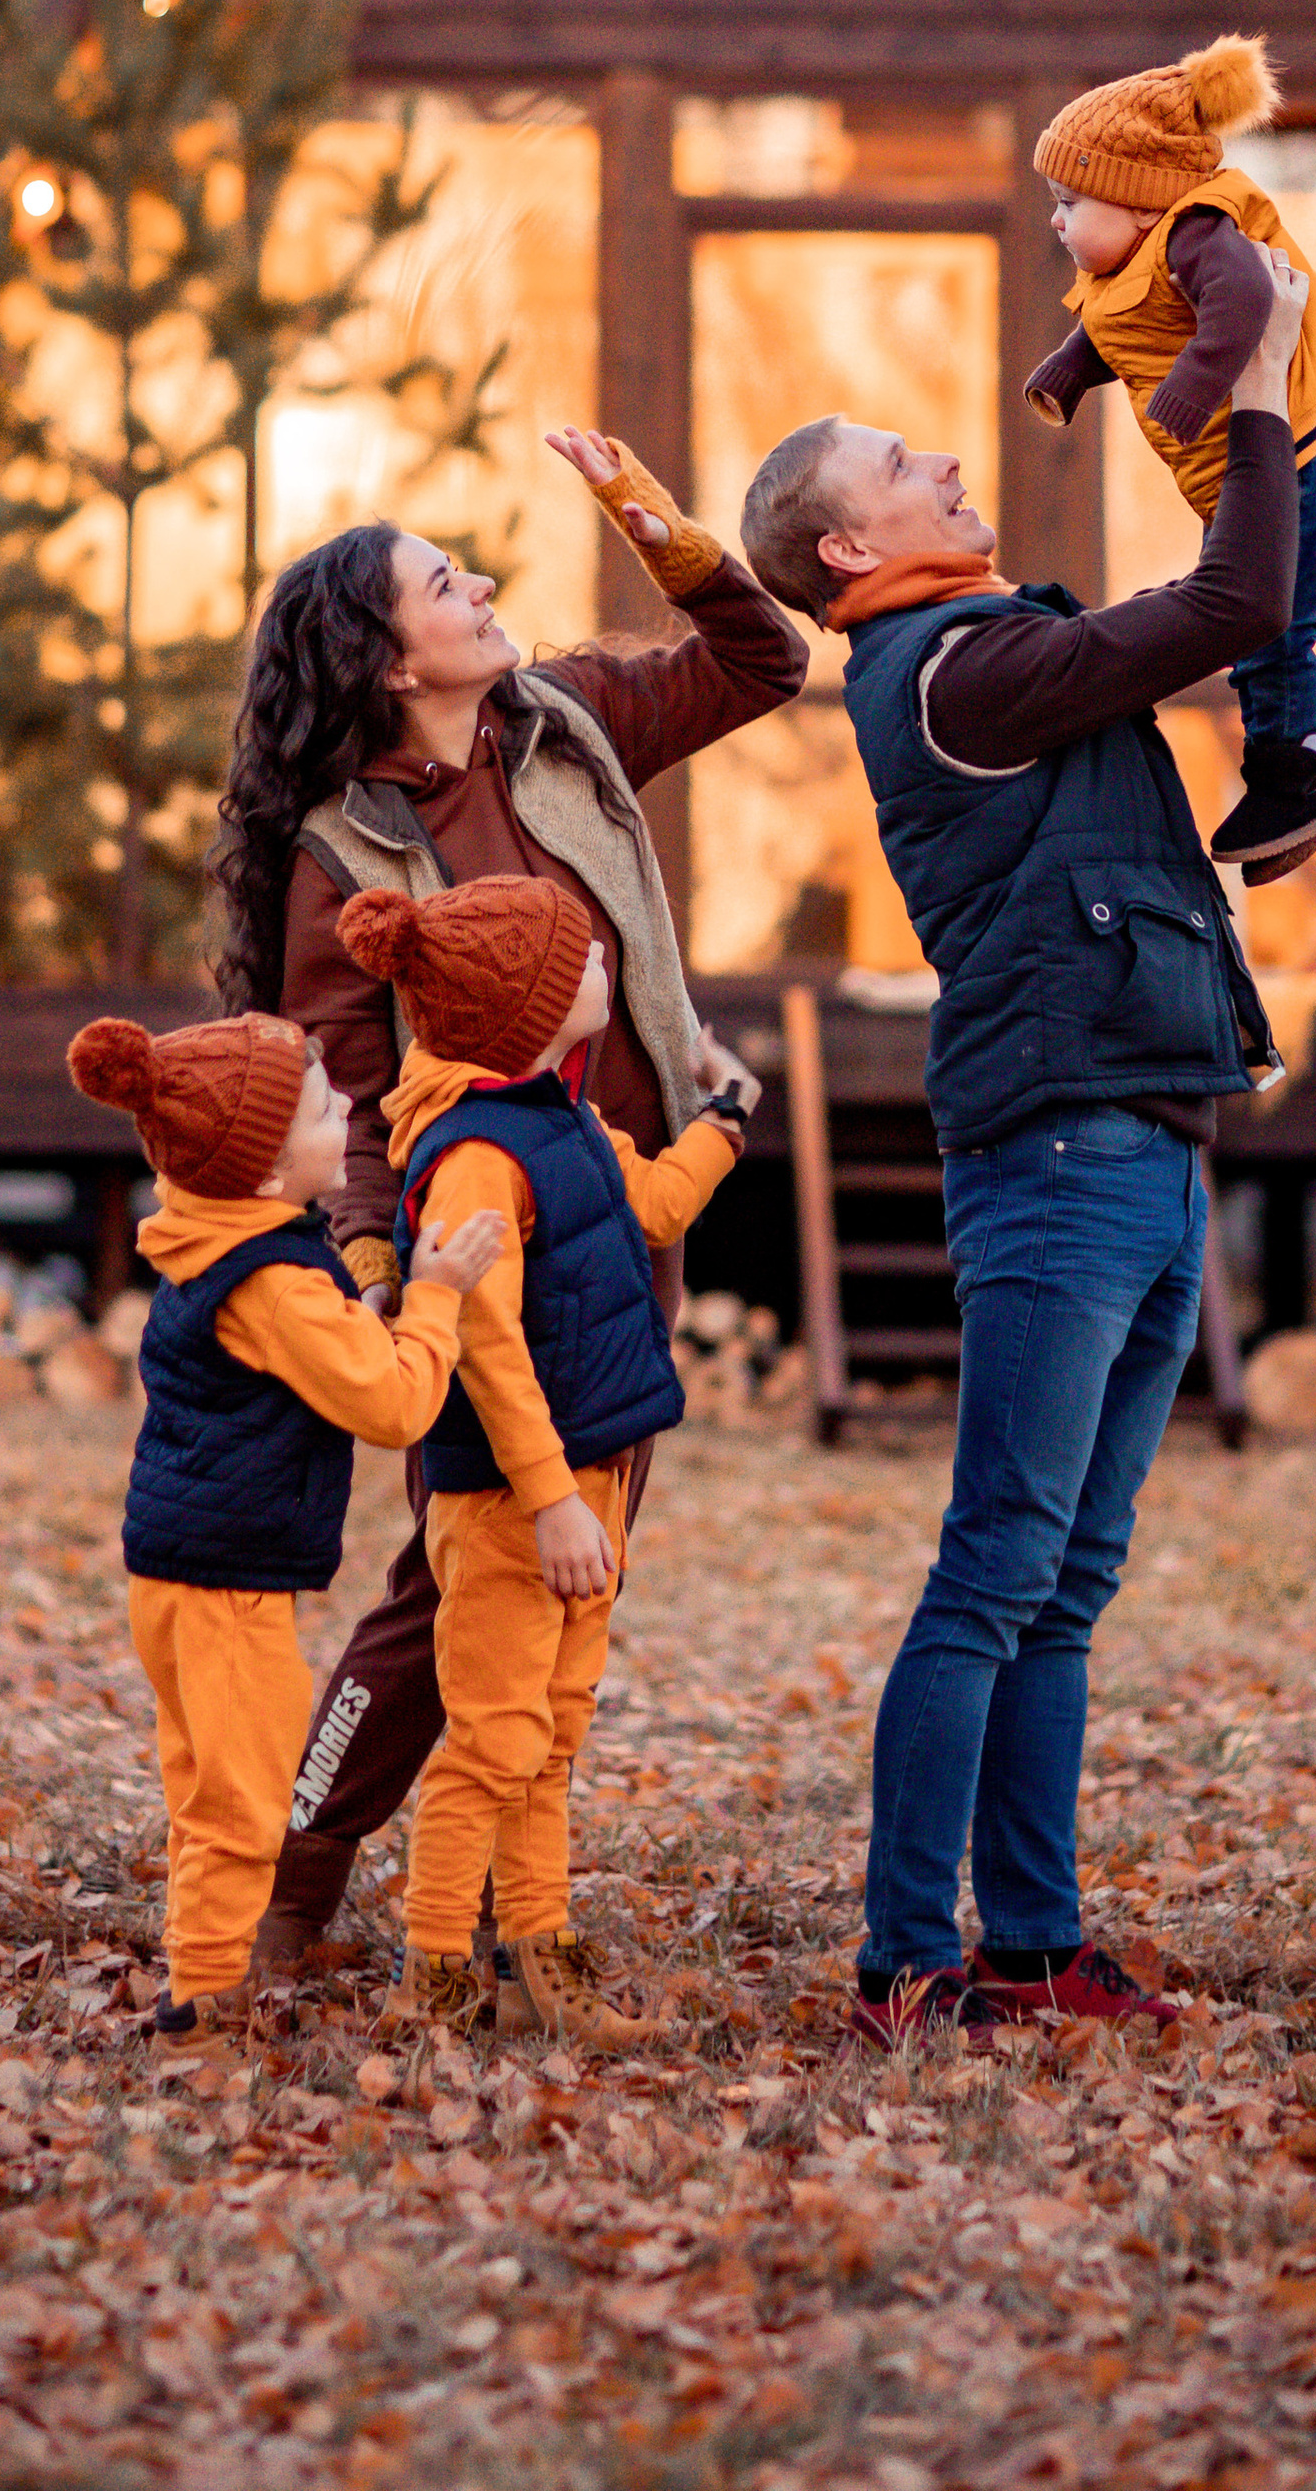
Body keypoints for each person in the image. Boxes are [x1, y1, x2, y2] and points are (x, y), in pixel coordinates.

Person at [739, 246, 1306, 2047]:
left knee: (1064, 1579)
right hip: (1060, 1160)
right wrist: (1264, 378)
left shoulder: (988, 649)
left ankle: (1036, 1943)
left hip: (1143, 1139)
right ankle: (908, 1962)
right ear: (850, 549)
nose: (951, 469)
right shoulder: (958, 672)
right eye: (907, 466)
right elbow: (1238, 599)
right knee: (999, 1564)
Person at [208, 427, 807, 1978]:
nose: (477, 584)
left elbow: (762, 657)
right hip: (477, 1231)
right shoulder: (339, 849)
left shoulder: (572, 722)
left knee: (575, 1552)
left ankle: (496, 1886)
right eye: (439, 580)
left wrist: (648, 516)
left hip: (626, 1207)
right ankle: (298, 1878)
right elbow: (331, 1072)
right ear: (387, 659)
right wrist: (369, 1258)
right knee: (458, 1571)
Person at [337, 875, 757, 2043]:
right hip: (517, 1502)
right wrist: (552, 1499)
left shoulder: (561, 1114)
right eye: (574, 963)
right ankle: (432, 1979)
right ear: (515, 1008)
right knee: (488, 1741)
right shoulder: (477, 1157)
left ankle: (540, 1957)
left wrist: (723, 1119)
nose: (600, 969)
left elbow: (656, 1209)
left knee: (552, 1730)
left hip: (591, 1482)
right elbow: (484, 1343)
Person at [64, 1007, 507, 2036]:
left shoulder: (219, 1239)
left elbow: (331, 1341)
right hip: (227, 1590)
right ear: (265, 1170)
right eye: (319, 1109)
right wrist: (436, 1298)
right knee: (244, 1806)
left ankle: (200, 1976)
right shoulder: (273, 1283)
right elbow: (395, 1405)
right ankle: (204, 2007)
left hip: (176, 1575)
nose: (347, 1103)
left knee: (202, 1787)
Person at [1022, 33, 1316, 881]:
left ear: (1141, 200)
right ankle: (1288, 769)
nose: (1056, 219)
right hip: (1259, 484)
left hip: (1311, 475)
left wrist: (1194, 381)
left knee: (1272, 628)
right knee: (1248, 622)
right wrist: (1068, 371)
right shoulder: (1137, 263)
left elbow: (1245, 298)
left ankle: (1295, 778)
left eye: (1072, 200)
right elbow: (1118, 331)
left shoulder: (1196, 232)